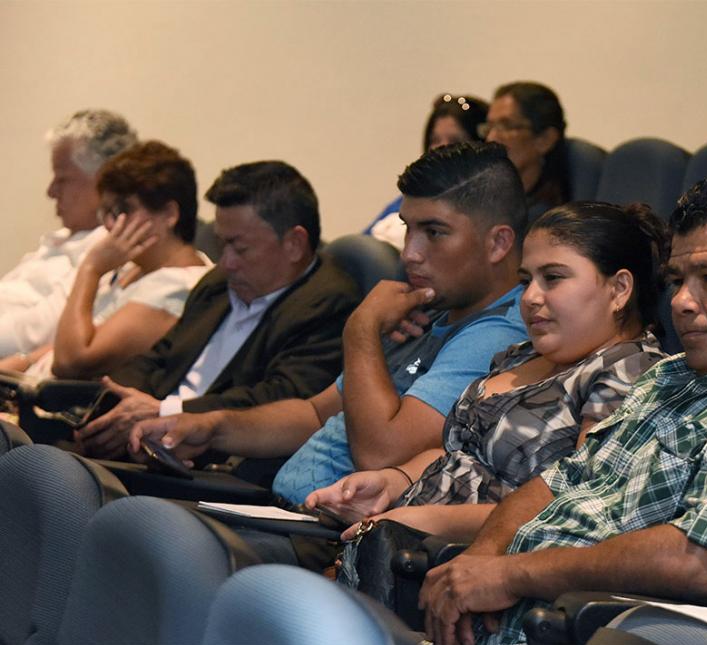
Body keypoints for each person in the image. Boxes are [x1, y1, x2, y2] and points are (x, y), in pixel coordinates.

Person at [418, 166, 707, 645]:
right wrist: (478, 562)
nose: (683, 302)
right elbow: (559, 481)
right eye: (677, 279)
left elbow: (702, 562)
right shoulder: (673, 376)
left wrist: (509, 577)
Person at [129, 142, 530, 502]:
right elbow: (314, 414)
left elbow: (381, 453)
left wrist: (361, 331)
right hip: (277, 511)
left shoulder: (499, 336)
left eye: (435, 232)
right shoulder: (425, 312)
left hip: (327, 542)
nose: (410, 253)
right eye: (409, 229)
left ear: (498, 243)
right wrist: (212, 427)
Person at [309, 202, 668, 549]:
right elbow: (457, 456)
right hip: (405, 546)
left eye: (553, 278)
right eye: (527, 280)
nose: (530, 297)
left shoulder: (630, 368)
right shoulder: (521, 354)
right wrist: (390, 483)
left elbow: (579, 509)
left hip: (473, 571)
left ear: (619, 289)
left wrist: (428, 521)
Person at [73, 160, 361, 459]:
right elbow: (160, 358)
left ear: (294, 244)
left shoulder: (331, 304)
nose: (226, 262)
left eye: (240, 248)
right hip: (146, 442)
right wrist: (115, 403)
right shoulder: (219, 283)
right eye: (223, 245)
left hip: (216, 464)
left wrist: (165, 411)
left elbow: (279, 398)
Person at [0, 141, 211, 378]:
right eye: (108, 212)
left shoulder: (177, 286)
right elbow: (77, 335)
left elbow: (72, 362)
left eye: (124, 210)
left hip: (58, 407)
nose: (111, 225)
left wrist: (90, 269)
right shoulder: (132, 265)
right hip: (25, 388)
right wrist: (20, 363)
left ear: (169, 214)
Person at [0, 109, 137, 358]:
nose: (51, 192)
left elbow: (35, 334)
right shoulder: (62, 238)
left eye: (62, 179)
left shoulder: (110, 247)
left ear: (106, 181)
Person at [365, 93, 489, 249]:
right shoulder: (409, 199)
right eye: (435, 140)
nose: (440, 148)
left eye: (455, 141)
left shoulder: (488, 208)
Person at [482, 81, 568, 220]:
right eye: (489, 127)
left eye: (506, 126)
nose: (491, 138)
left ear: (545, 139)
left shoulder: (549, 220)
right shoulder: (483, 202)